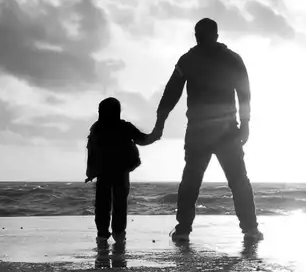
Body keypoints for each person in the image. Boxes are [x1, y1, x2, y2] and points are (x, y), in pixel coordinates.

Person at [151, 17, 260, 241]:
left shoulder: (189, 59)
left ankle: (183, 229)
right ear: (216, 36)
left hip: (200, 131)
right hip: (226, 130)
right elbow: (244, 93)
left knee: (192, 179)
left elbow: (171, 93)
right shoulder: (231, 59)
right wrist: (245, 124)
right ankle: (250, 229)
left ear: (197, 36)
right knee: (237, 180)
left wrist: (160, 123)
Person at [85, 96, 157, 244]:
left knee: (103, 204)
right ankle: (118, 233)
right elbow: (142, 139)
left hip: (104, 172)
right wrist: (155, 136)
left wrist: (90, 172)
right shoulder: (124, 127)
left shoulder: (97, 128)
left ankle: (103, 234)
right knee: (119, 203)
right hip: (121, 170)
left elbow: (91, 152)